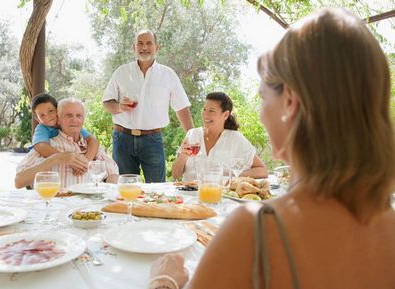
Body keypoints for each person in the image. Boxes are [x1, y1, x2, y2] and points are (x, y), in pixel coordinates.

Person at [149, 8, 395, 289]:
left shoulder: (256, 232)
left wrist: (163, 280)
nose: (262, 113)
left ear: (289, 102)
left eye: (263, 97)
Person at [102, 29, 193, 183]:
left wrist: (193, 136)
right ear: (134, 47)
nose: (144, 47)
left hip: (152, 140)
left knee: (158, 188)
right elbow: (106, 103)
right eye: (140, 43)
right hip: (122, 139)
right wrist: (119, 107)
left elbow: (182, 107)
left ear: (157, 47)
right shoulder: (121, 72)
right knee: (125, 190)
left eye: (149, 43)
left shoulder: (168, 75)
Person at [15, 98, 118, 188]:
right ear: (58, 120)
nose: (74, 120)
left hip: (87, 208)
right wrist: (56, 159)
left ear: (83, 120)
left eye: (79, 116)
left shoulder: (92, 147)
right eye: (68, 115)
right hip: (56, 206)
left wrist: (108, 194)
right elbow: (18, 182)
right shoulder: (46, 145)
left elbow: (113, 173)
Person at [171, 92, 267, 181]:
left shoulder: (235, 139)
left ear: (225, 115)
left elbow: (262, 170)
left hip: (221, 196)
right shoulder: (192, 134)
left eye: (211, 111)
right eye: (204, 110)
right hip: (189, 196)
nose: (205, 115)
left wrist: (231, 179)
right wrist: (183, 156)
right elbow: (175, 175)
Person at [30, 93, 99, 176]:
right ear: (38, 119)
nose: (48, 117)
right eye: (42, 115)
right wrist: (63, 158)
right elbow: (41, 146)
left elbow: (93, 140)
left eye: (51, 111)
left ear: (57, 110)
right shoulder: (42, 128)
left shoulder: (70, 124)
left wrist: (85, 162)